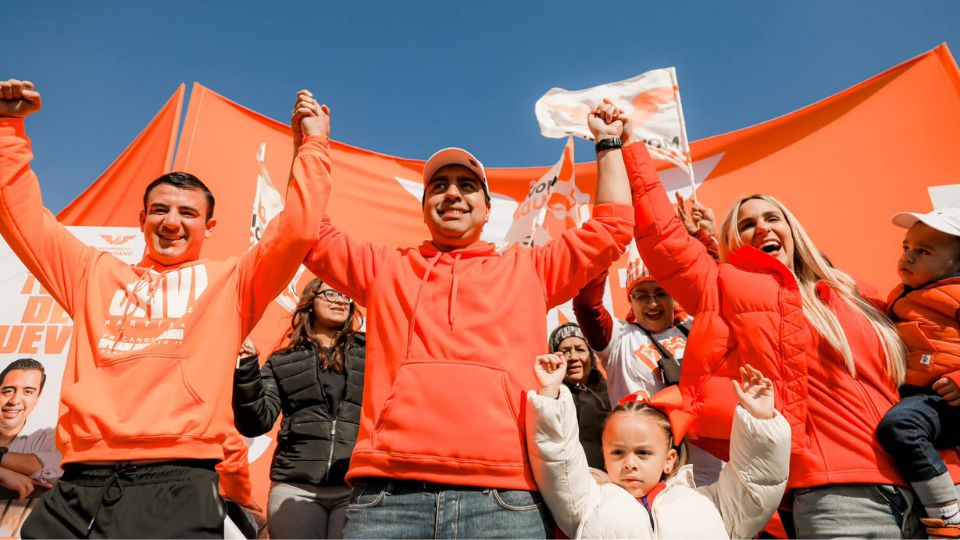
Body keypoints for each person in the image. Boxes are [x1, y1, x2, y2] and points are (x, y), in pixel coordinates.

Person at [0, 79, 330, 538]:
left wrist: (312, 145)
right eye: (160, 210)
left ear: (209, 226)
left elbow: (297, 228)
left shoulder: (233, 281)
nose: (171, 222)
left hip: (179, 480)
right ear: (142, 218)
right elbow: (22, 219)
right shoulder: (91, 273)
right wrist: (7, 128)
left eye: (187, 213)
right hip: (78, 485)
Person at [303, 100, 634, 538]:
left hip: (505, 498)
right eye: (439, 186)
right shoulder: (384, 267)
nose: (452, 194)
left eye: (466, 186)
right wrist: (311, 142)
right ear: (424, 208)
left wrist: (608, 144)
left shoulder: (531, 268)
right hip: (388, 497)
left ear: (486, 209)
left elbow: (611, 229)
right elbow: (306, 230)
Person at [615, 107, 921, 537]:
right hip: (837, 496)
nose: (761, 228)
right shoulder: (726, 286)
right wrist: (629, 146)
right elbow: (663, 239)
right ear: (733, 243)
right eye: (746, 225)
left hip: (925, 485)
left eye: (770, 218)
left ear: (792, 228)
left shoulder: (859, 291)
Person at [527, 354, 789, 539]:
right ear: (604, 457)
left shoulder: (710, 503)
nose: (629, 462)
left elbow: (756, 480)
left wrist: (760, 420)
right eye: (617, 452)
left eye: (643, 453)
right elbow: (558, 459)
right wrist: (550, 395)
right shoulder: (587, 504)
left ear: (670, 459)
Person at [233, 279, 365, 539]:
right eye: (330, 293)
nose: (340, 300)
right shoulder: (283, 360)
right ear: (310, 302)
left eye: (346, 295)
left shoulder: (371, 352)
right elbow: (256, 422)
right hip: (295, 487)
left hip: (355, 486)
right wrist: (247, 368)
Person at [876, 208, 960, 538]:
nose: (908, 257)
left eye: (923, 252)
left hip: (946, 398)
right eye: (906, 247)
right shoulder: (899, 294)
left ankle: (948, 511)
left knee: (902, 428)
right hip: (919, 397)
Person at [548, 323, 609, 470]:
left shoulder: (610, 391)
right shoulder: (548, 395)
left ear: (591, 355)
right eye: (564, 352)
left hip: (608, 478)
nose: (573, 357)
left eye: (581, 349)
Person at [0, 358, 61, 499]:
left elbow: (57, 469)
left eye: (28, 392)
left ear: (38, 397)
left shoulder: (49, 436)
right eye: (8, 391)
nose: (15, 401)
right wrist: (4, 474)